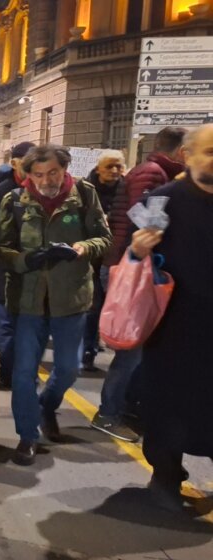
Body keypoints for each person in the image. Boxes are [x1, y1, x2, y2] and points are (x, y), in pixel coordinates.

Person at [0, 144, 112, 466]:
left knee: (68, 369)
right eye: (38, 174)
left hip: (70, 298)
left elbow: (104, 237)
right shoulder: (15, 201)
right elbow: (1, 250)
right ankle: (27, 435)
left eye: (53, 173)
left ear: (64, 170)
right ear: (27, 174)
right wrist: (25, 259)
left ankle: (47, 405)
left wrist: (82, 248)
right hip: (28, 300)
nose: (47, 180)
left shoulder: (85, 195)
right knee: (23, 373)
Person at [130, 123, 213, 512]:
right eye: (210, 151)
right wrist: (138, 250)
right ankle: (165, 478)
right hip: (174, 327)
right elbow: (134, 260)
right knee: (169, 405)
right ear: (188, 156)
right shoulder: (161, 201)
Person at [91, 127, 187, 443]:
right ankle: (109, 413)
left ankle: (128, 409)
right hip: (134, 272)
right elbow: (144, 220)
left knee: (142, 351)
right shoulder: (156, 175)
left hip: (139, 271)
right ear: (183, 152)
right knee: (131, 349)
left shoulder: (160, 174)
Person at [0, 141, 36, 388]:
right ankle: (9, 373)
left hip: (33, 274)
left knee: (29, 329)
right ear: (14, 163)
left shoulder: (44, 192)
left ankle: (24, 372)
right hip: (3, 272)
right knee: (6, 329)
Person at [81, 150, 127, 373]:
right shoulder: (85, 189)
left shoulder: (126, 189)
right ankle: (87, 352)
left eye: (119, 166)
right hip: (91, 258)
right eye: (110, 166)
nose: (115, 171)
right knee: (92, 307)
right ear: (99, 168)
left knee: (115, 307)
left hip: (116, 258)